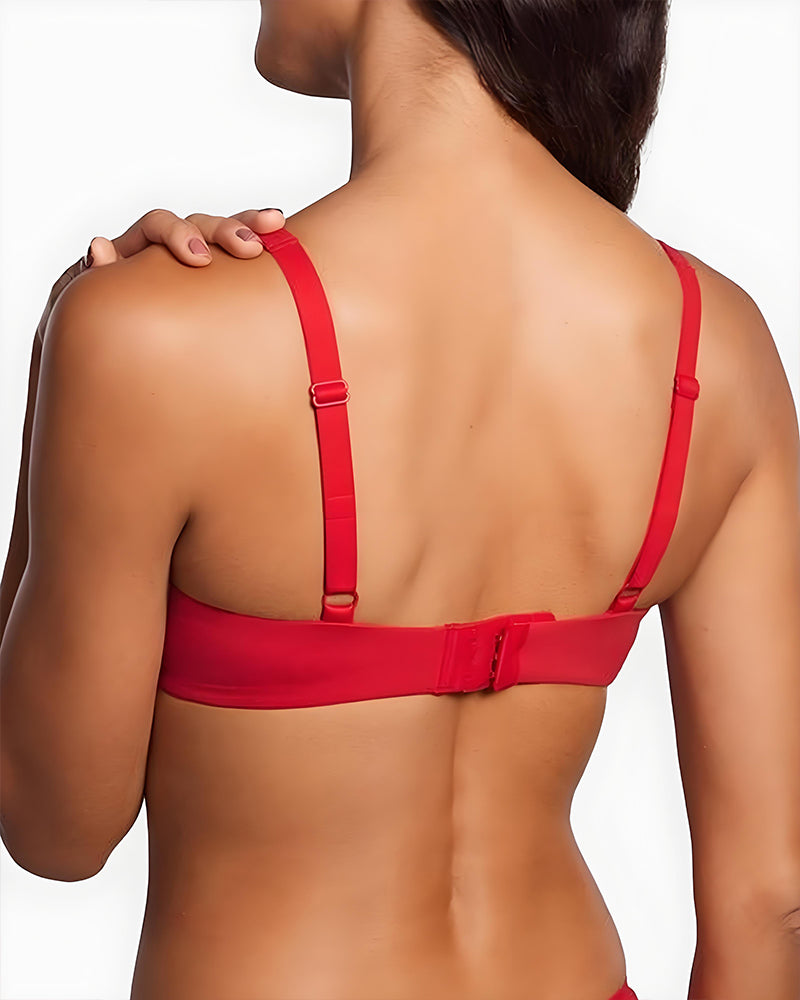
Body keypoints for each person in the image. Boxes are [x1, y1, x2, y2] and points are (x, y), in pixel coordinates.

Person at [1, 2, 799, 999]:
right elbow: (768, 905)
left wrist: (68, 340)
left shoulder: (153, 338)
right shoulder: (717, 346)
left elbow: (54, 829)